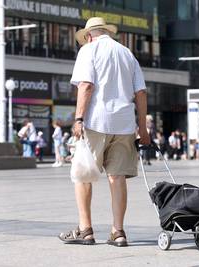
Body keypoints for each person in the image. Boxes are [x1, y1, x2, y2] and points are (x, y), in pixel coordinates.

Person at [58, 17, 150, 247]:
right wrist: (143, 127)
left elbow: (86, 86)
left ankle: (85, 229)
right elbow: (141, 93)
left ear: (89, 35)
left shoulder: (88, 50)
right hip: (124, 124)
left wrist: (78, 118)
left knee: (82, 176)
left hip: (95, 122)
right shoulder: (127, 53)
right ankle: (118, 232)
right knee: (117, 177)